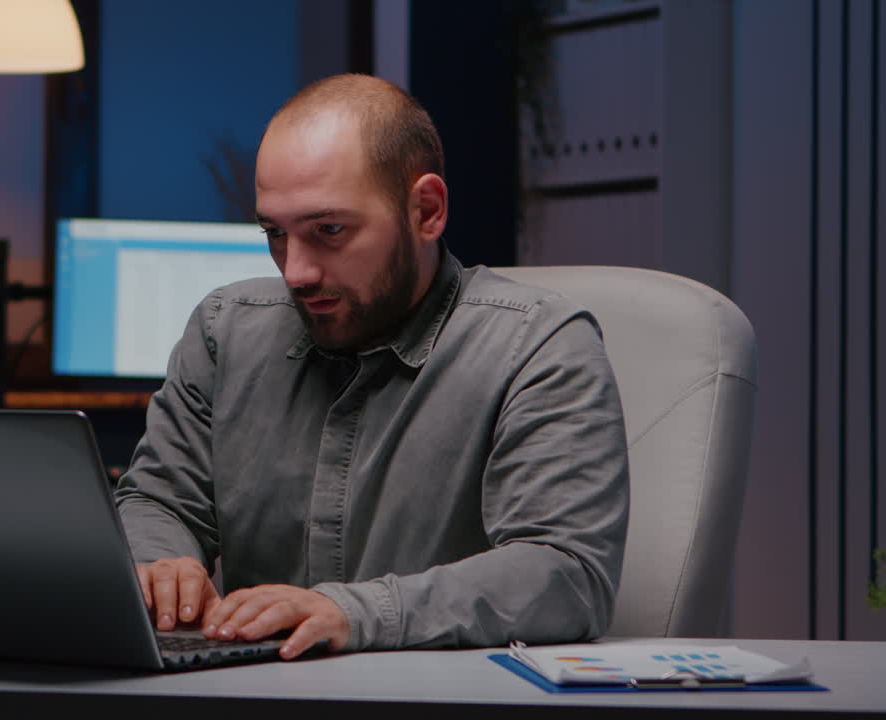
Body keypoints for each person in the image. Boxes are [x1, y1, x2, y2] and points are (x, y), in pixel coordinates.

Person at [114, 73, 629, 661]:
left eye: (329, 230)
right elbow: (159, 501)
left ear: (426, 211)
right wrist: (161, 563)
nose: (297, 271)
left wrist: (355, 613)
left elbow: (565, 574)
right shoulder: (224, 331)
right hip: (246, 694)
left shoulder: (539, 344)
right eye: (274, 233)